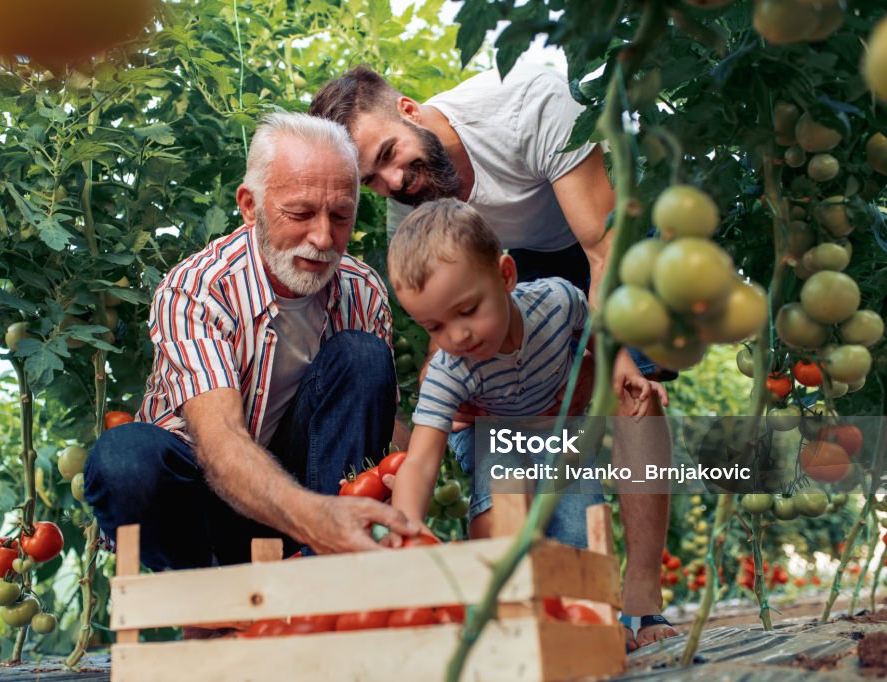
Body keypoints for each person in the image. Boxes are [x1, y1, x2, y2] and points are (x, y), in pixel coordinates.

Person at [310, 63, 676, 649]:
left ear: (408, 109)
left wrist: (617, 366)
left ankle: (644, 599)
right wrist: (443, 410)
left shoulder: (529, 105)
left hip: (600, 235)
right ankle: (558, 599)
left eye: (389, 155)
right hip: (500, 269)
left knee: (633, 403)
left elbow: (603, 256)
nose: (395, 181)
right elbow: (443, 319)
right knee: (525, 428)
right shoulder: (415, 199)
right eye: (372, 181)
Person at [84, 113, 419, 578]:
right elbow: (221, 445)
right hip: (206, 507)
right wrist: (317, 517)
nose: (323, 238)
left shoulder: (361, 289)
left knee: (363, 356)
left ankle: (329, 580)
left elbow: (376, 432)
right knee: (123, 459)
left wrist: (435, 435)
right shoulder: (198, 289)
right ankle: (204, 603)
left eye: (341, 215)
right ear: (249, 205)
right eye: (300, 214)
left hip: (312, 507)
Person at [386, 198, 656, 543]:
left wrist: (627, 371)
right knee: (504, 482)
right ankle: (496, 575)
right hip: (489, 432)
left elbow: (597, 335)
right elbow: (421, 462)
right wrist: (406, 527)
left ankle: (583, 592)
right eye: (434, 327)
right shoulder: (449, 370)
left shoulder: (556, 301)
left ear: (505, 276)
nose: (457, 336)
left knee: (578, 525)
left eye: (468, 310)